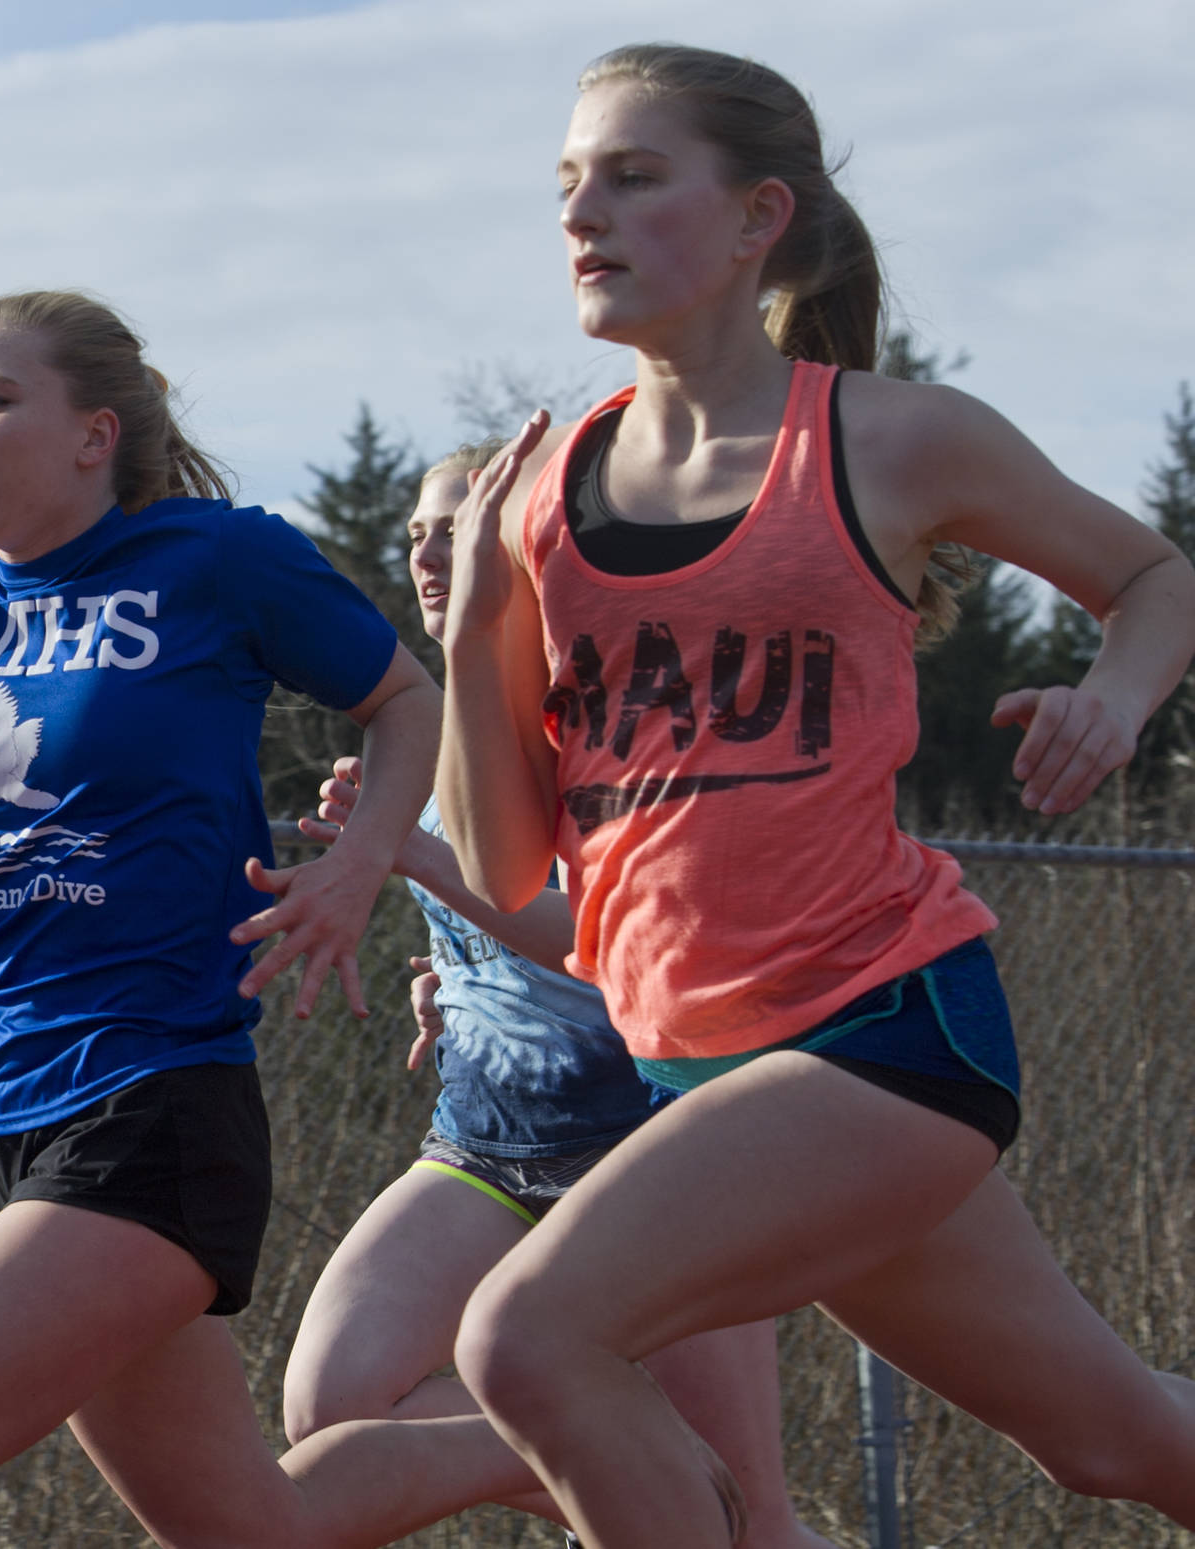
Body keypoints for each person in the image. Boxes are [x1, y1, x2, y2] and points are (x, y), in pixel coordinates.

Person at [433, 43, 1195, 1549]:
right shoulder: (542, 496)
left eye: (634, 177)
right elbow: (515, 872)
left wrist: (1110, 696)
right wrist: (473, 637)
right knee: (1107, 1435)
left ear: (761, 214)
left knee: (526, 1338)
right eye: (569, 183)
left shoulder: (893, 440)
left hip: (885, 1034)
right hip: (699, 1071)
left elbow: (1157, 577)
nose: (585, 214)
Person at [0, 290, 549, 1549]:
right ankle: (571, 1425)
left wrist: (356, 867)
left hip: (155, 1100)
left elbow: (402, 698)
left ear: (94, 433)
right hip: (4, 1111)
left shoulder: (213, 560)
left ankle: (578, 1416)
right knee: (253, 1527)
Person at [284, 444, 834, 1549]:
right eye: (413, 533)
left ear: (532, 542)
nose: (426, 551)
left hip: (660, 1151)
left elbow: (622, 941)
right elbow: (506, 935)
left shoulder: (606, 708)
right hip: (485, 1148)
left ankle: (670, 1479)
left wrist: (427, 867)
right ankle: (644, 1461)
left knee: (754, 1526)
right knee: (332, 1403)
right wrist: (453, 986)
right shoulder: (424, 723)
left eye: (455, 526)